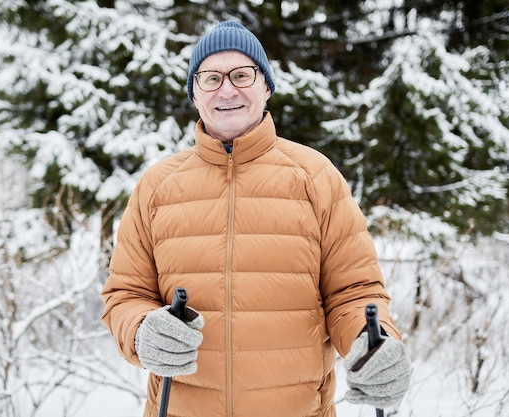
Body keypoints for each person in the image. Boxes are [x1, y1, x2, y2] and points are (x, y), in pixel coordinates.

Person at [101, 20, 411, 417]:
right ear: (195, 93)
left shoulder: (315, 176)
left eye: (242, 75)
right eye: (211, 78)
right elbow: (125, 295)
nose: (227, 89)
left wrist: (376, 344)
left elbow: (353, 292)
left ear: (265, 87)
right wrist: (142, 330)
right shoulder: (157, 186)